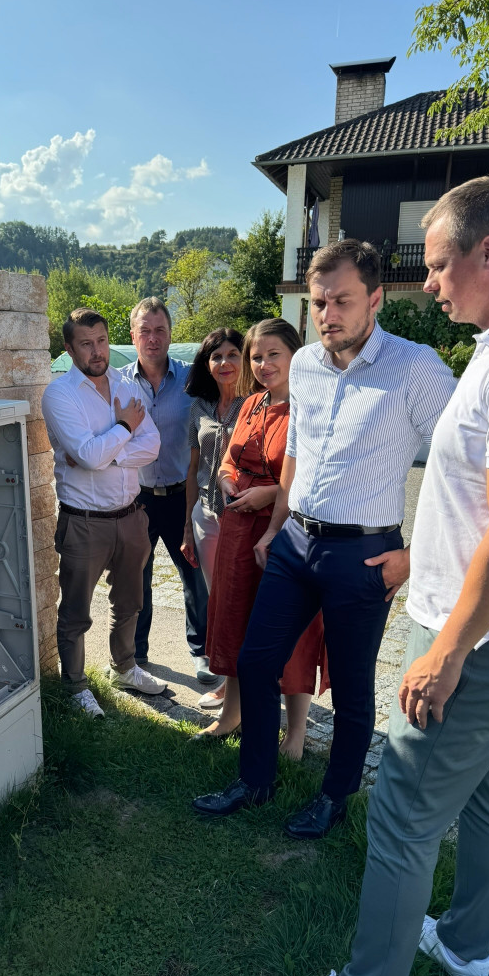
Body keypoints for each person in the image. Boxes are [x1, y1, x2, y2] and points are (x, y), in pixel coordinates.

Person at [255, 175, 489, 976]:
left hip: (480, 638)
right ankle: (465, 946)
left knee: (405, 811)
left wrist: (448, 649)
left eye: (442, 263)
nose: (430, 282)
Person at [193, 240, 455, 830]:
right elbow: (298, 453)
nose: (328, 315)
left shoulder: (417, 368)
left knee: (353, 689)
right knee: (257, 663)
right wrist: (276, 529)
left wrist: (414, 558)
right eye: (317, 303)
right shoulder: (306, 365)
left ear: (377, 299)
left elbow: (472, 467)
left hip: (364, 552)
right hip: (294, 542)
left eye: (342, 301)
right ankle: (255, 779)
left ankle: (335, 799)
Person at [189, 319, 328, 747]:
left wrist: (268, 494)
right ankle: (233, 715)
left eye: (274, 354)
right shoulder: (251, 404)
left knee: (292, 629)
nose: (264, 364)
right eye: (257, 356)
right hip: (236, 527)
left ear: (295, 355)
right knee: (233, 619)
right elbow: (229, 458)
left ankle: (297, 733)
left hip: (287, 530)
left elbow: (315, 474)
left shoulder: (312, 406)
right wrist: (229, 478)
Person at [41, 307, 166, 718]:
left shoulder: (124, 385)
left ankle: (125, 668)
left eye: (101, 341)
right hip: (85, 522)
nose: (97, 352)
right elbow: (94, 453)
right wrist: (125, 428)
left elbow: (152, 447)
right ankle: (75, 686)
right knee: (76, 611)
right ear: (69, 348)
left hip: (131, 516)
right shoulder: (59, 394)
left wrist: (106, 452)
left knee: (130, 602)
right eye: (86, 344)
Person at [120, 297, 216, 682]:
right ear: (133, 335)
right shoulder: (117, 383)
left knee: (195, 577)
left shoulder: (193, 380)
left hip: (182, 495)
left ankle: (203, 653)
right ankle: (137, 655)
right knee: (136, 579)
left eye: (160, 330)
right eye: (145, 330)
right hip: (136, 499)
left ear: (170, 334)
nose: (153, 338)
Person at [179, 328, 246, 711]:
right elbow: (192, 470)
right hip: (205, 518)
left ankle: (247, 686)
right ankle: (226, 684)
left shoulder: (258, 404)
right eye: (216, 356)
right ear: (207, 363)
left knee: (244, 603)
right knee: (218, 604)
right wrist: (188, 525)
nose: (225, 363)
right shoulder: (198, 407)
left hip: (243, 519)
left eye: (233, 354)